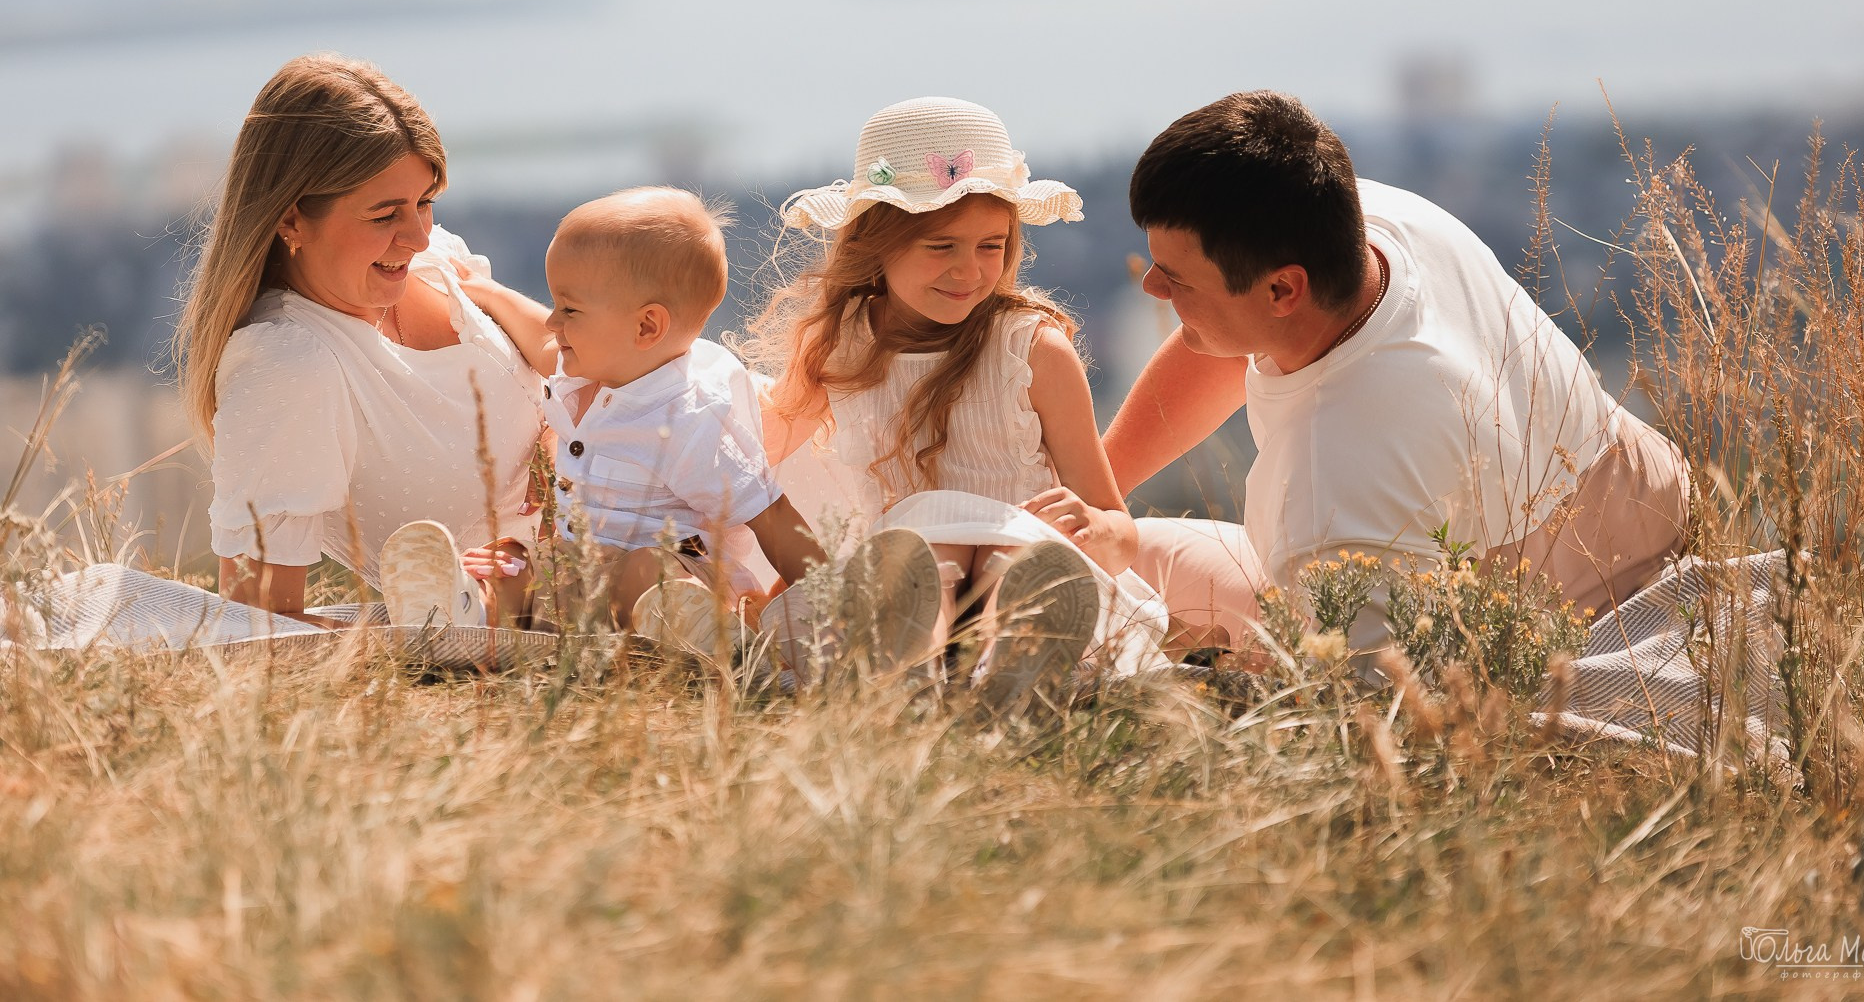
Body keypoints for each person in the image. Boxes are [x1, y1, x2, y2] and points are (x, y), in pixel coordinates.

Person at [1104, 90, 1689, 646]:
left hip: (1540, 623)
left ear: (1284, 288)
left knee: (1134, 561)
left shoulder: (1331, 474)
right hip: (1651, 505)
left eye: (1176, 279)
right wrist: (1101, 484)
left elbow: (1370, 697)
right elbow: (1232, 335)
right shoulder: (1351, 218)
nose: (1152, 286)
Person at [746, 97, 1181, 704]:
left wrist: (1093, 530)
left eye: (990, 245)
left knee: (1014, 547)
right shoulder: (841, 349)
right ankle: (913, 672)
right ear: (879, 244)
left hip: (1023, 571)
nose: (969, 271)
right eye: (940, 245)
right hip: (909, 586)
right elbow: (755, 461)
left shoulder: (1031, 351)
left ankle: (1016, 664)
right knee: (922, 546)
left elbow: (1118, 526)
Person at [177, 54, 548, 623]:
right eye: (384, 215)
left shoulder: (438, 262)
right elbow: (260, 626)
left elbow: (580, 351)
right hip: (571, 611)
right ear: (292, 219)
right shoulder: (289, 364)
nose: (420, 237)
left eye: (425, 202)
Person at [458, 187, 829, 650]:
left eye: (569, 309)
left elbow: (771, 516)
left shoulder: (691, 417)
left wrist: (828, 601)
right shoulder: (592, 369)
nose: (555, 322)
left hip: (683, 568)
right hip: (585, 571)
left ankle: (708, 631)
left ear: (646, 327)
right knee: (514, 561)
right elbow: (538, 334)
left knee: (644, 572)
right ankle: (470, 608)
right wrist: (490, 294)